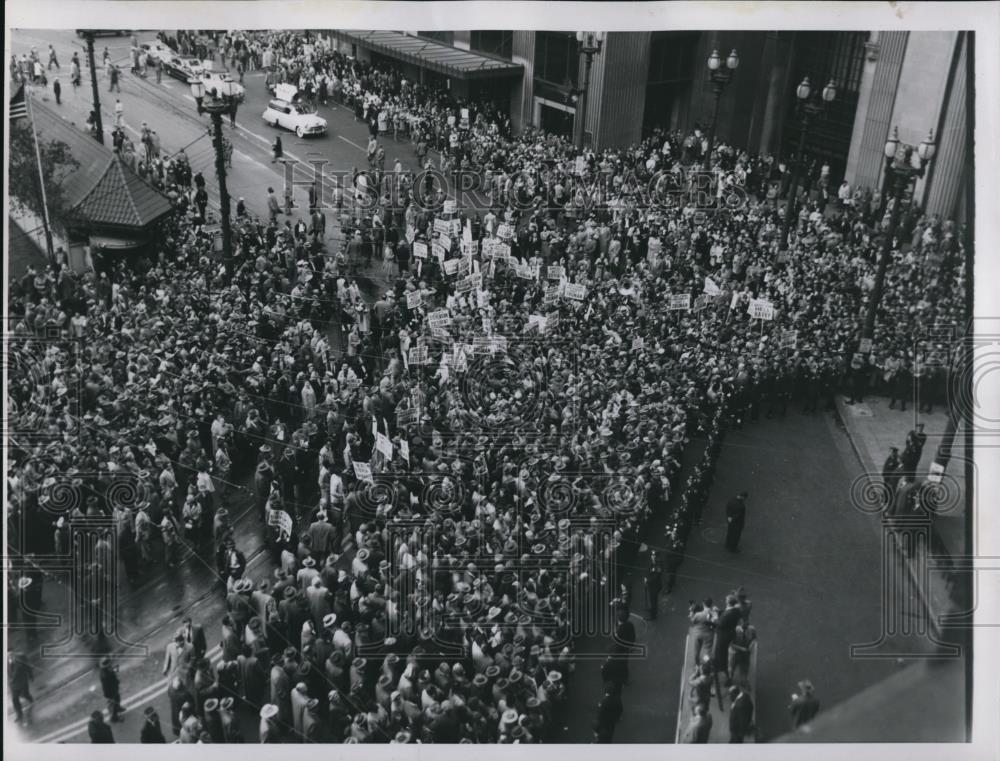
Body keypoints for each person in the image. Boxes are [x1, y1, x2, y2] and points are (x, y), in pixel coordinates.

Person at [8, 652, 34, 725]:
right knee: (14, 699)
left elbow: (27, 667)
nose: (9, 655)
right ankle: (19, 715)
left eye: (10, 654)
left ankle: (31, 700)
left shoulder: (20, 657)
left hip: (22, 681)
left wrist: (31, 675)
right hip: (13, 684)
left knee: (25, 694)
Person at [99, 657, 124, 722]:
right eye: (109, 663)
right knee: (114, 703)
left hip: (113, 689)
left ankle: (117, 708)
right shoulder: (105, 673)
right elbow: (112, 675)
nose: (110, 664)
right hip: (111, 692)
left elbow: (114, 671)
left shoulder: (106, 669)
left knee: (117, 699)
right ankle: (114, 717)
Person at [643, 551, 663, 620]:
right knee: (651, 599)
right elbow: (647, 570)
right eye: (652, 555)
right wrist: (646, 577)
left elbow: (656, 576)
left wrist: (647, 580)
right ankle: (652, 609)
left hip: (655, 586)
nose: (652, 557)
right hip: (651, 585)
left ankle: (653, 615)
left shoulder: (659, 566)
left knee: (654, 600)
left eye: (654, 556)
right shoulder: (651, 562)